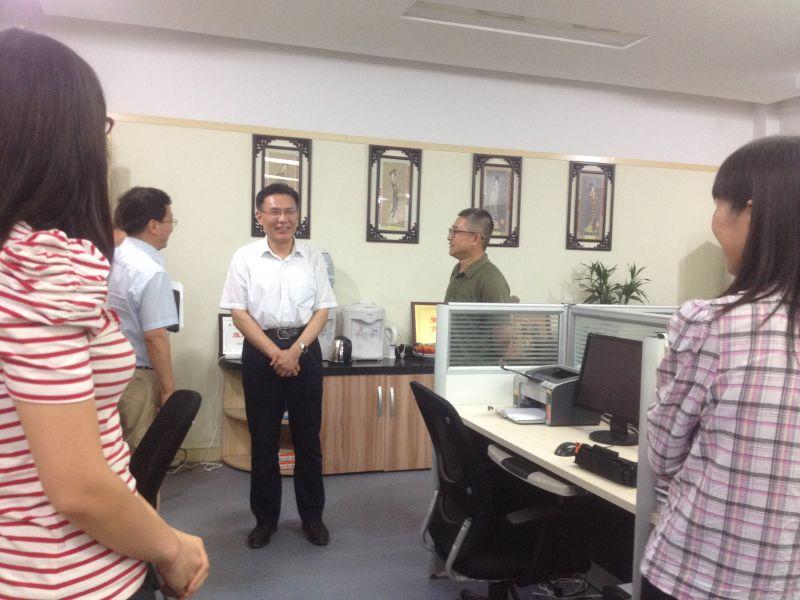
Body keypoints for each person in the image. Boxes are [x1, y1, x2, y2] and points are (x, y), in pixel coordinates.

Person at [0, 28, 207, 599]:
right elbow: (80, 486)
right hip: (70, 574)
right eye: (101, 125)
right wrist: (170, 547)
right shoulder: (39, 263)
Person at [641, 136, 800, 599]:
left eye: (718, 204)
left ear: (750, 213)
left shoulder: (712, 324)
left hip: (700, 574)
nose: (714, 221)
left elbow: (663, 453)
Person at [220, 182, 337, 549]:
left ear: (298, 216)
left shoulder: (314, 257)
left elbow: (322, 309)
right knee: (264, 441)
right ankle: (265, 520)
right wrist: (276, 353)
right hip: (262, 352)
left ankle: (312, 517)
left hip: (305, 350)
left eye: (289, 211)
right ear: (260, 216)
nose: (282, 219)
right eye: (274, 212)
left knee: (308, 440)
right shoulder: (244, 257)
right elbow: (239, 313)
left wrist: (296, 350)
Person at [108, 187, 179, 449]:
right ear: (153, 225)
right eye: (170, 221)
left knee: (110, 452)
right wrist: (168, 389)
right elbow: (155, 336)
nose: (171, 228)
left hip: (99, 370)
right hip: (135, 376)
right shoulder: (150, 271)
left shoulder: (106, 256)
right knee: (140, 454)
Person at [444, 208, 511, 303]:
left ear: (475, 238)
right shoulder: (457, 270)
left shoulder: (491, 280)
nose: (449, 237)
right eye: (451, 231)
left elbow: (500, 313)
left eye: (455, 231)